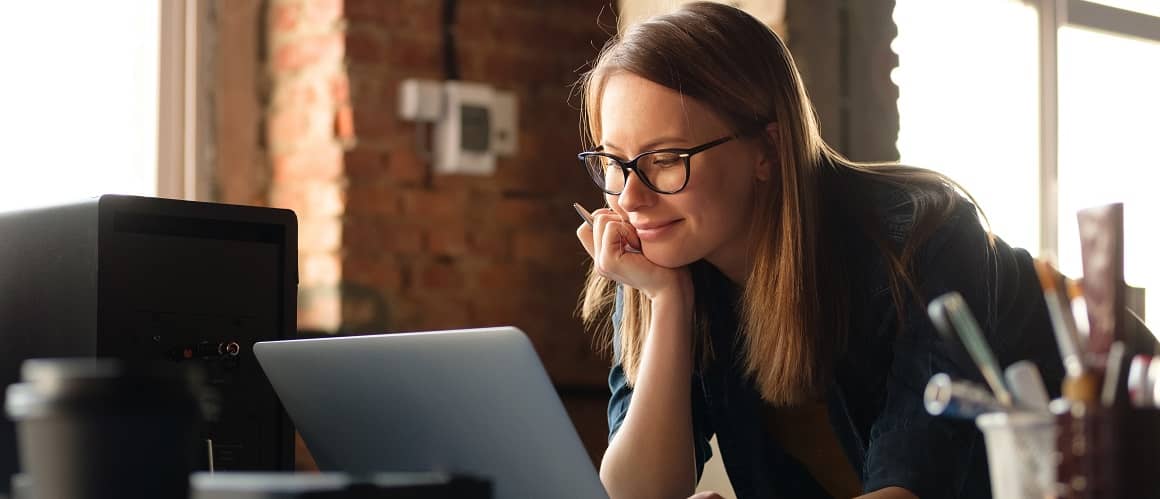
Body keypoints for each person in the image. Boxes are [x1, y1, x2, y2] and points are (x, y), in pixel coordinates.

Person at [572, 3, 1063, 499]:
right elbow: (640, 492)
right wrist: (669, 302)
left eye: (665, 159)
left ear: (768, 150)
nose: (630, 198)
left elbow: (911, 488)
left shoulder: (923, 236)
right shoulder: (662, 257)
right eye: (614, 161)